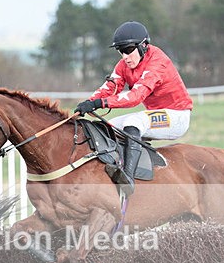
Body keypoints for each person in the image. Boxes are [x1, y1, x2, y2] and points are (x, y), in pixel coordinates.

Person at [75, 21, 193, 195]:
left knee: (133, 121)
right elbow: (110, 88)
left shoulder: (158, 62)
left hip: (177, 116)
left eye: (129, 50)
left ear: (143, 45)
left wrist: (100, 104)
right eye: (121, 51)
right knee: (107, 127)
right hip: (154, 114)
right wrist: (89, 102)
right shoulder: (124, 65)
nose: (125, 56)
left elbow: (136, 97)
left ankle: (128, 178)